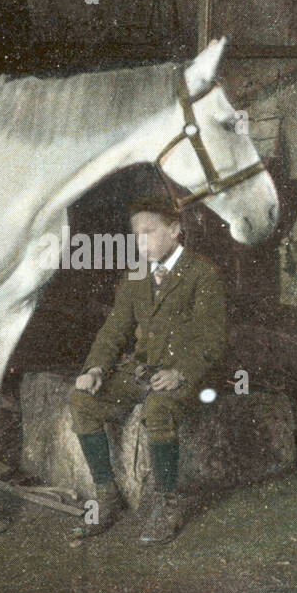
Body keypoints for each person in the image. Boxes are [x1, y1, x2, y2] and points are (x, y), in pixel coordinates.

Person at [68, 197, 227, 545]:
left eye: (148, 232)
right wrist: (95, 368)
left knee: (158, 408)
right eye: (135, 235)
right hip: (143, 371)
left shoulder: (202, 273)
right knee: (82, 401)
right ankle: (107, 496)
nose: (140, 242)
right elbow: (114, 330)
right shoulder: (137, 274)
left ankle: (167, 503)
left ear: (174, 230)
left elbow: (212, 339)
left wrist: (181, 373)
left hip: (188, 376)